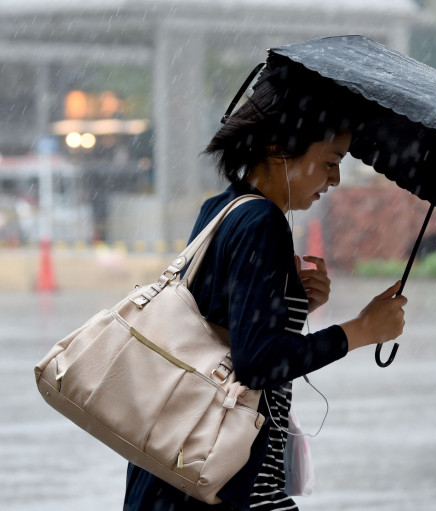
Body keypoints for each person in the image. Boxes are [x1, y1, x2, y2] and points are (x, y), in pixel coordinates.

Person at [123, 63, 408, 510]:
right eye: (331, 162)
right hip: (227, 485)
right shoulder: (262, 223)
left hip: (179, 469)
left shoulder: (223, 209)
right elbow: (257, 364)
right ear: (279, 148)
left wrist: (293, 302)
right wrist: (362, 330)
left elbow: (219, 327)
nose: (334, 180)